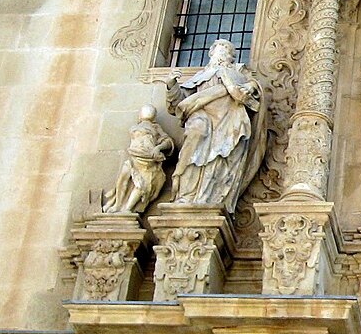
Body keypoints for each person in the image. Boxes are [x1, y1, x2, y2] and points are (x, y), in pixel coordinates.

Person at [166, 39, 265, 213]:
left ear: (231, 58)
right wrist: (171, 85)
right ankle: (187, 195)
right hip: (201, 117)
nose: (222, 53)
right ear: (211, 54)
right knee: (195, 139)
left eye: (226, 51)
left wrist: (251, 86)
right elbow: (180, 103)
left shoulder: (236, 73)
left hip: (229, 122)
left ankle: (208, 197)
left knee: (220, 158)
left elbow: (253, 89)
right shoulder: (201, 76)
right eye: (219, 49)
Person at [101, 105, 173, 214]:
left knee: (141, 185)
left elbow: (168, 142)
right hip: (134, 158)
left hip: (147, 160)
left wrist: (158, 148)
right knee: (122, 179)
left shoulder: (156, 128)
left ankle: (128, 209)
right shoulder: (136, 127)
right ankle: (117, 205)